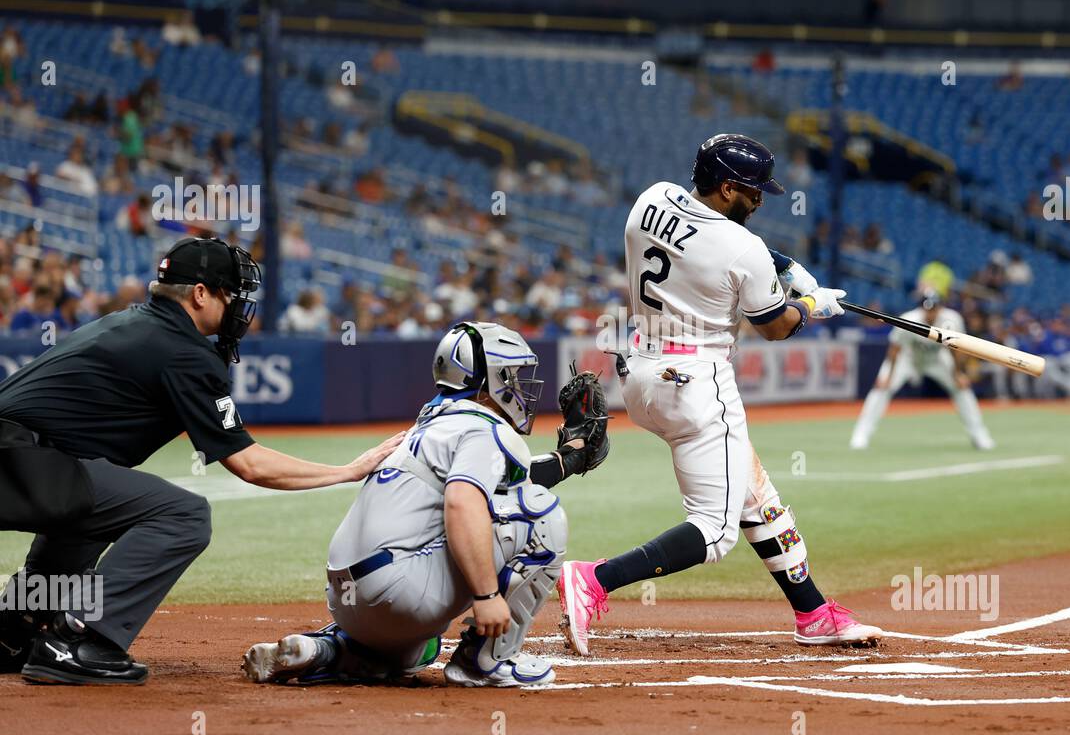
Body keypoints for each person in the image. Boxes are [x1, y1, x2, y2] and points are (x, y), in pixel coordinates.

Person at [0, 236, 404, 684]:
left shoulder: (132, 323)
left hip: (26, 460)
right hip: (22, 460)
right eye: (230, 294)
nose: (236, 307)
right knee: (184, 515)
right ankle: (80, 640)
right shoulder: (183, 350)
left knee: (92, 507)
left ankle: (11, 630)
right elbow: (249, 464)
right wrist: (348, 470)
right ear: (199, 294)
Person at [557, 134, 882, 657]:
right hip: (695, 383)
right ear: (728, 187)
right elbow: (775, 327)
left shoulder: (652, 198)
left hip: (639, 371)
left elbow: (704, 238)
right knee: (713, 532)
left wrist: (783, 264)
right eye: (752, 192)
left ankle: (814, 613)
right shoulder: (742, 249)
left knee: (759, 499)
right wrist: (812, 304)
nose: (759, 200)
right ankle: (594, 579)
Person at [242, 322, 611, 687]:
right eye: (510, 374)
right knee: (542, 515)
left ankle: (328, 648)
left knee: (419, 650)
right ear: (488, 380)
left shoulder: (428, 424)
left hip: (349, 600)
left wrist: (569, 458)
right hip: (400, 591)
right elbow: (463, 502)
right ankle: (488, 661)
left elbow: (501, 480)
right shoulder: (486, 428)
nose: (516, 384)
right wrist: (485, 596)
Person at [850, 289, 996, 450]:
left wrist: (958, 373)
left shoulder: (952, 319)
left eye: (934, 308)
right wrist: (888, 376)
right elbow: (894, 349)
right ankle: (861, 434)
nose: (931, 312)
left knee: (962, 389)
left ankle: (979, 435)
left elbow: (956, 349)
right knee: (881, 388)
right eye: (928, 308)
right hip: (908, 358)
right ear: (921, 308)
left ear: (940, 307)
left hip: (937, 359)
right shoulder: (909, 319)